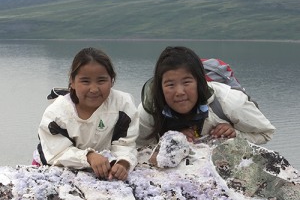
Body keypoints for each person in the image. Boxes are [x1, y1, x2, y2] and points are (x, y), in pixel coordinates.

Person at [33, 47, 139, 181]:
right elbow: (57, 152)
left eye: (101, 80)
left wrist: (123, 163)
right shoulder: (56, 113)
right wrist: (89, 156)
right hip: (52, 165)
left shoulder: (122, 104)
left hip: (101, 169)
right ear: (72, 81)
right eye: (85, 81)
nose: (94, 89)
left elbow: (125, 143)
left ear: (112, 80)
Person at [136, 46, 275, 147]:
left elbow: (265, 133)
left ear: (200, 82)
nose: (179, 92)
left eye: (186, 82)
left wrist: (234, 135)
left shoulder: (229, 101)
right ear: (159, 87)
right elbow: (138, 147)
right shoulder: (148, 110)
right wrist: (172, 139)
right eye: (170, 85)